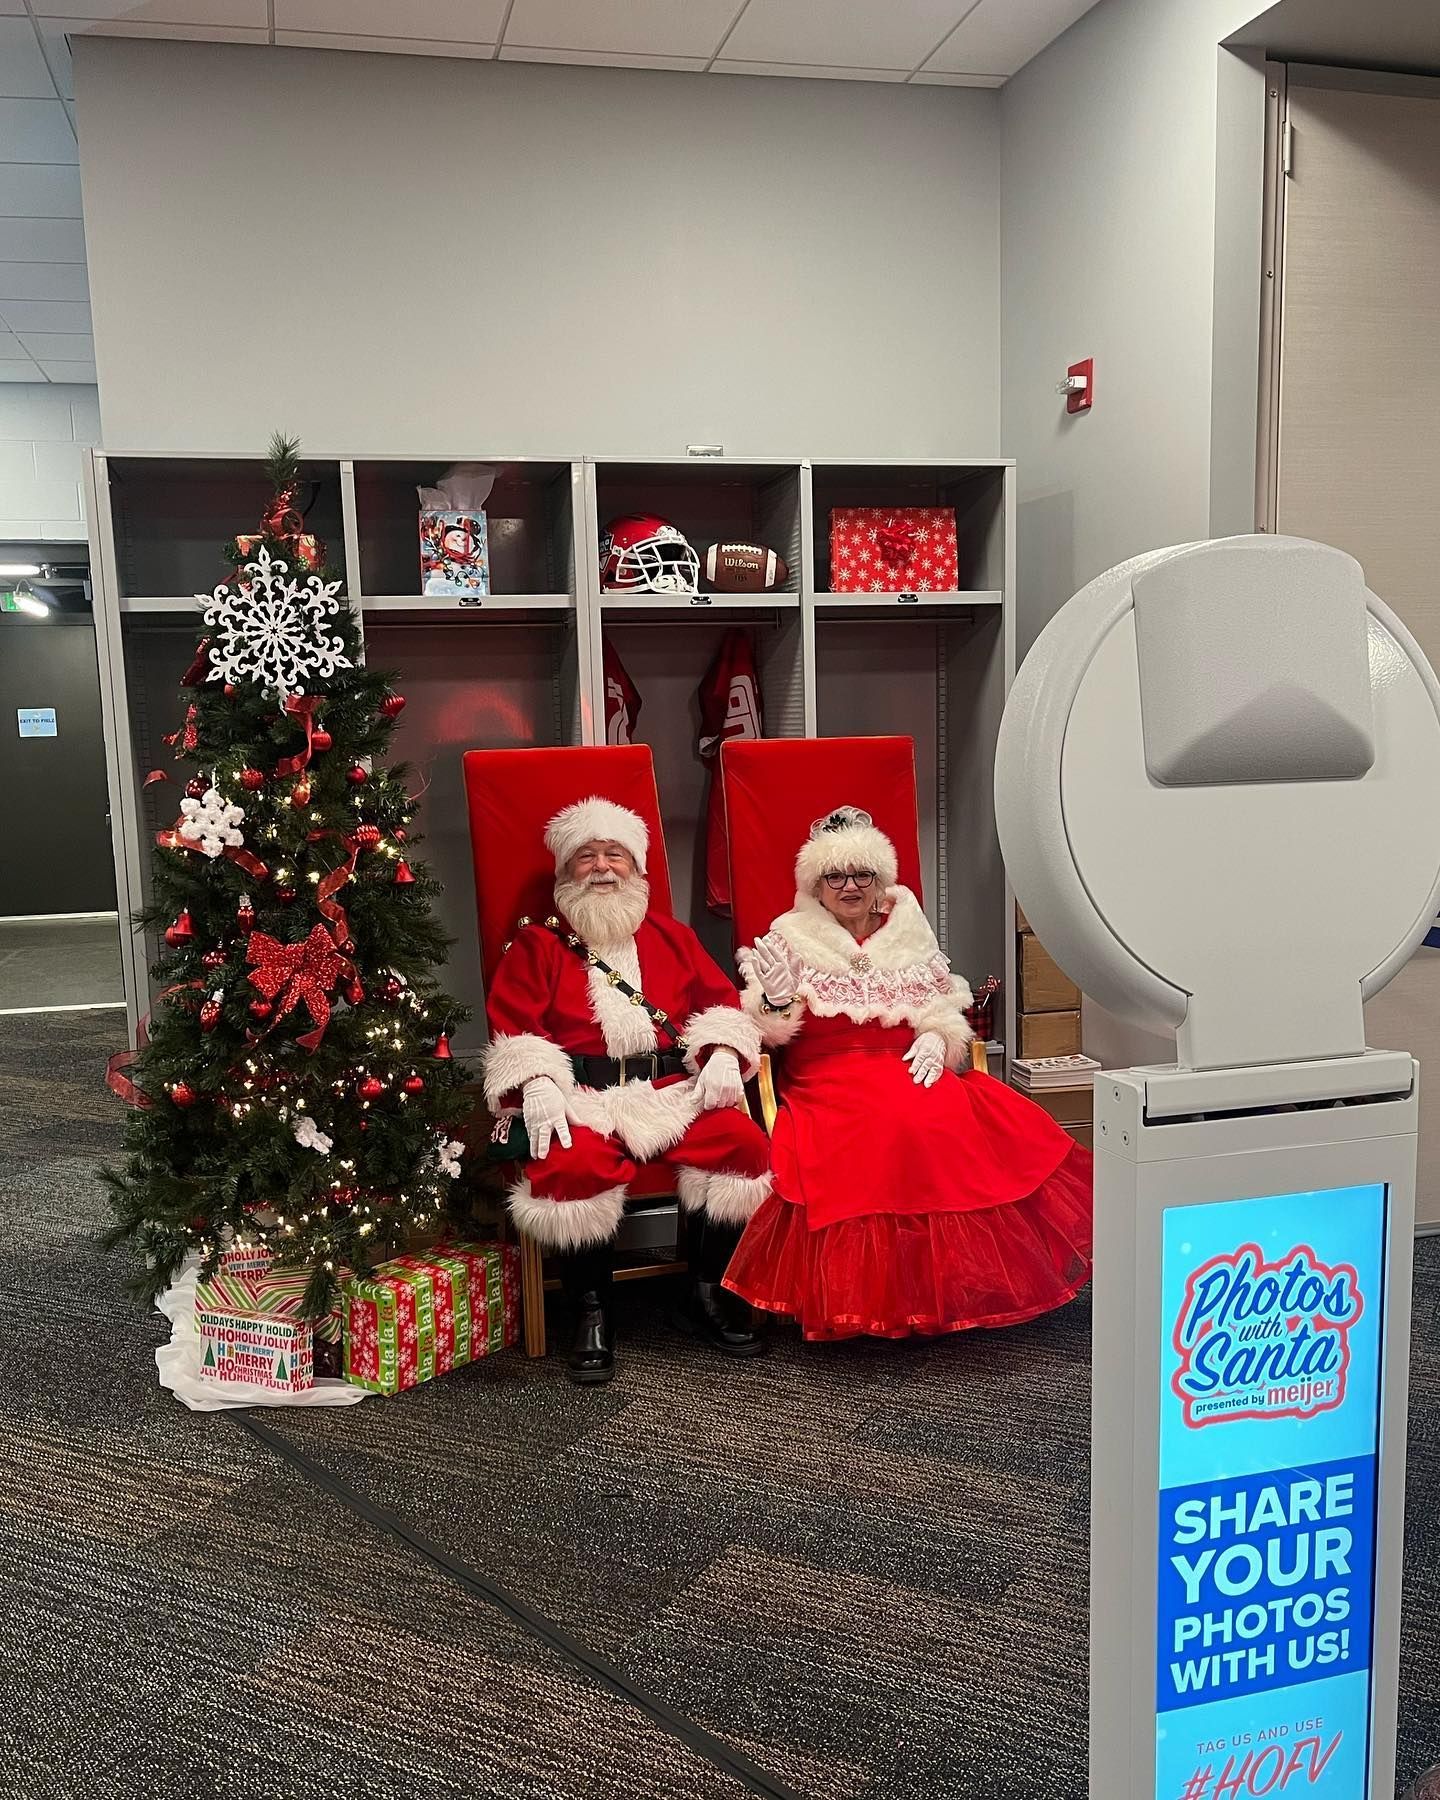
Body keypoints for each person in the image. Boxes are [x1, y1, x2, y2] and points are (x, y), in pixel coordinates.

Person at [723, 805, 1092, 1341]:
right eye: (835, 876)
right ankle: (873, 1296)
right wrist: (776, 1001)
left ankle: (942, 1287)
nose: (849, 886)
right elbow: (767, 1031)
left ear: (881, 880)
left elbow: (946, 1006)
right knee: (876, 1132)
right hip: (826, 1071)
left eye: (862, 875)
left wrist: (937, 1036)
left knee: (944, 1121)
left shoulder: (908, 928)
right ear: (816, 884)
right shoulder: (789, 935)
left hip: (909, 1060)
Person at [483, 796, 771, 1383]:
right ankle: (593, 1310)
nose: (602, 867)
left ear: (638, 870)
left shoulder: (672, 936)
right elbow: (514, 1026)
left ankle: (704, 1292)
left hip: (669, 1091)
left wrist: (721, 1052)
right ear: (565, 874)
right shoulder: (538, 946)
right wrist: (536, 1078)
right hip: (579, 1101)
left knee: (743, 1147)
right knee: (572, 1166)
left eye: (615, 855)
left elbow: (718, 1006)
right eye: (585, 857)